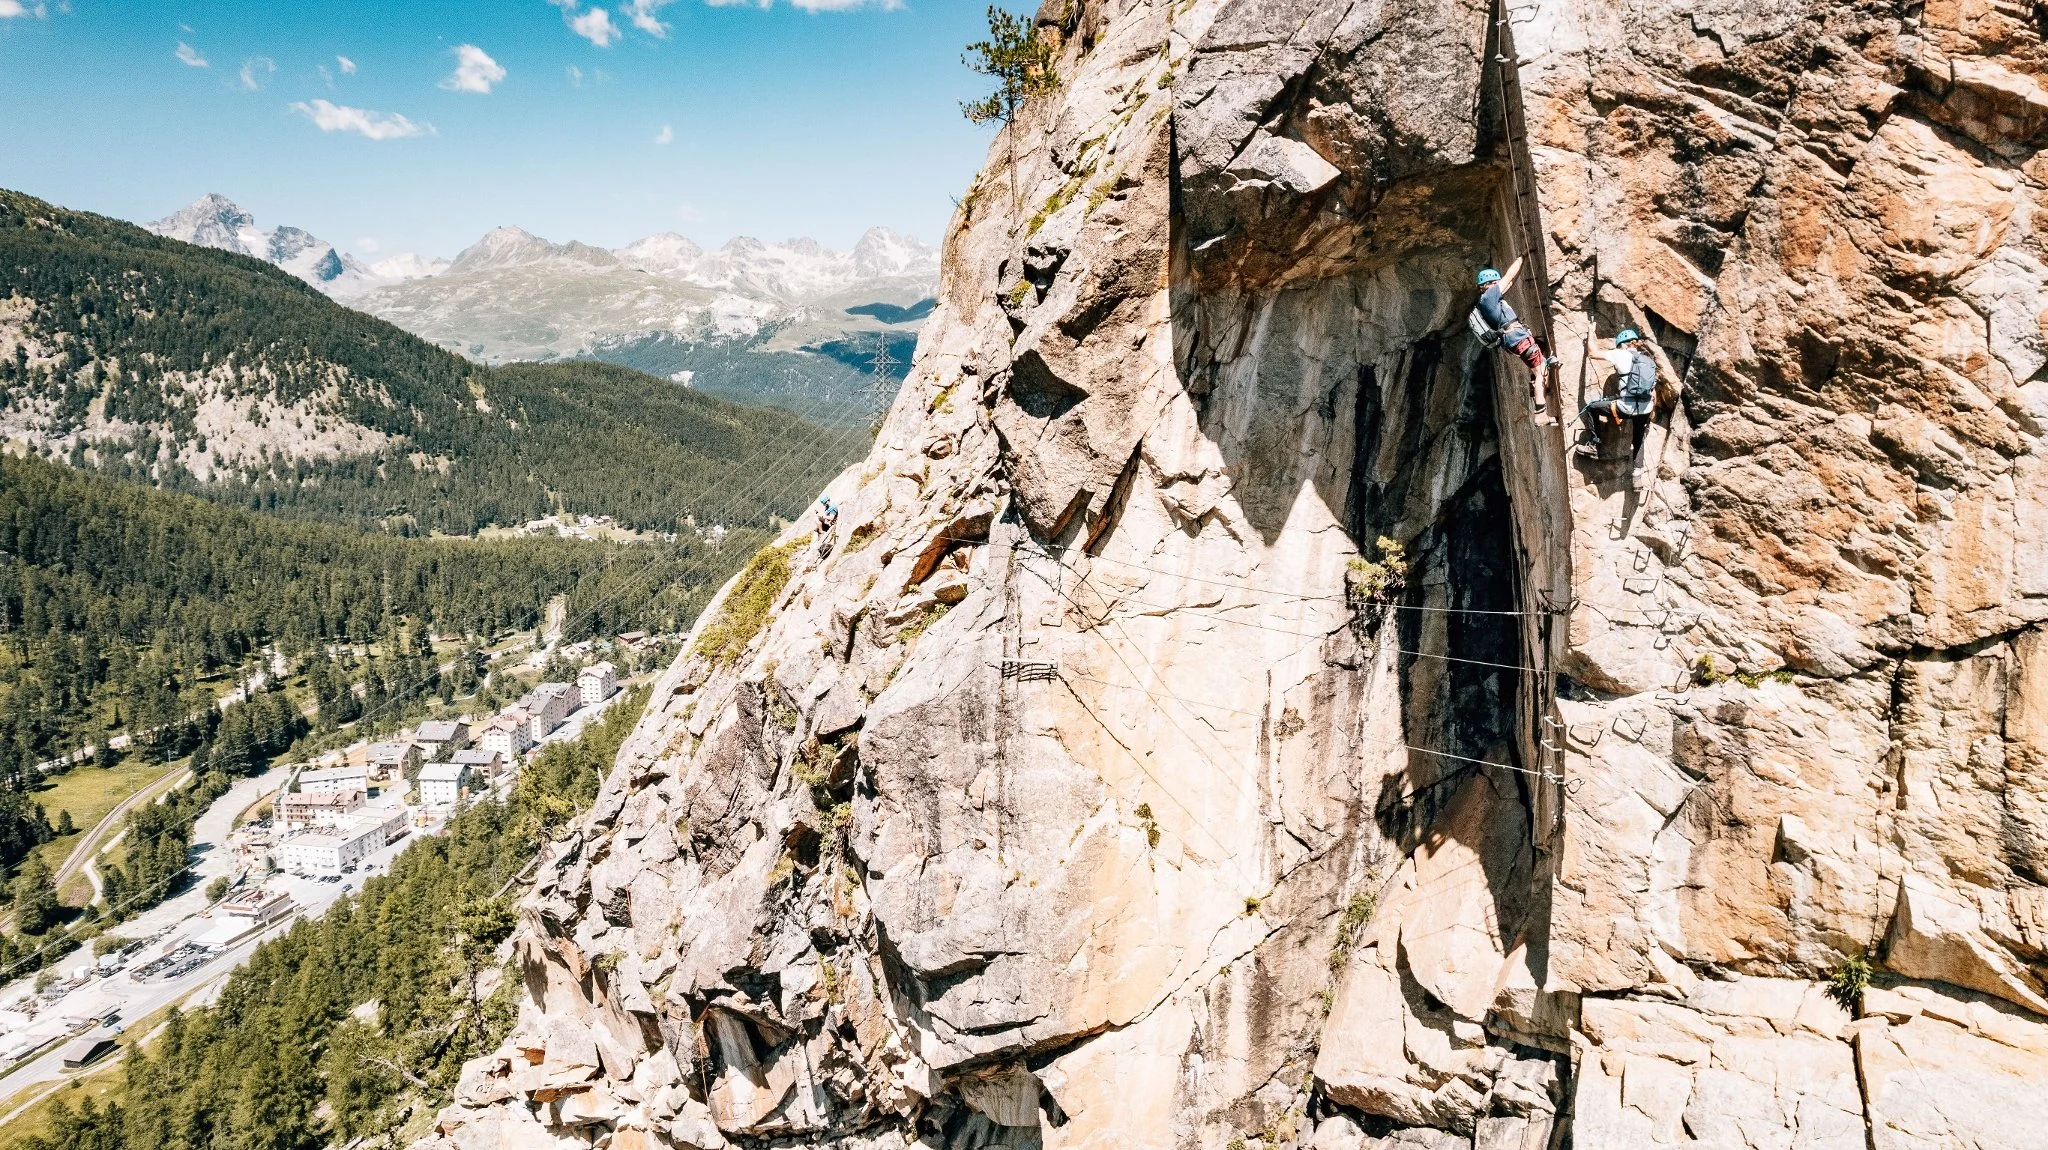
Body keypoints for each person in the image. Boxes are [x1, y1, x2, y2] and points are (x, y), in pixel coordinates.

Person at [1471, 259, 1550, 414]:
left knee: (1540, 358)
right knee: (1541, 372)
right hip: (1517, 338)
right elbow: (1508, 277)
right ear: (1491, 283)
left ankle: (1537, 388)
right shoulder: (1489, 296)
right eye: (1496, 282)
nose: (1499, 284)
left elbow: (1510, 282)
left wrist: (1520, 267)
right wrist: (1521, 258)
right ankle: (1540, 413)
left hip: (1515, 339)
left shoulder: (1489, 299)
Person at [1575, 328, 1657, 461]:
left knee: (1592, 408)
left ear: (1622, 345)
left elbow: (1592, 353)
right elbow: (1653, 391)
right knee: (1638, 437)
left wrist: (1590, 332)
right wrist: (1652, 411)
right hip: (1645, 409)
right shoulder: (1648, 361)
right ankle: (1637, 472)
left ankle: (1594, 446)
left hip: (1626, 408)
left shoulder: (1621, 353)